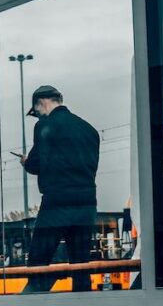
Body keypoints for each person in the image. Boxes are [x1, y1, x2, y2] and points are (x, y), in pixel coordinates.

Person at [18, 85, 101, 292]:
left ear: (41, 103)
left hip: (57, 201)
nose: (38, 116)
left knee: (38, 260)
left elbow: (38, 164)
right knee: (80, 264)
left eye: (36, 112)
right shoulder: (89, 130)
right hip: (87, 202)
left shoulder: (46, 126)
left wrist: (26, 162)